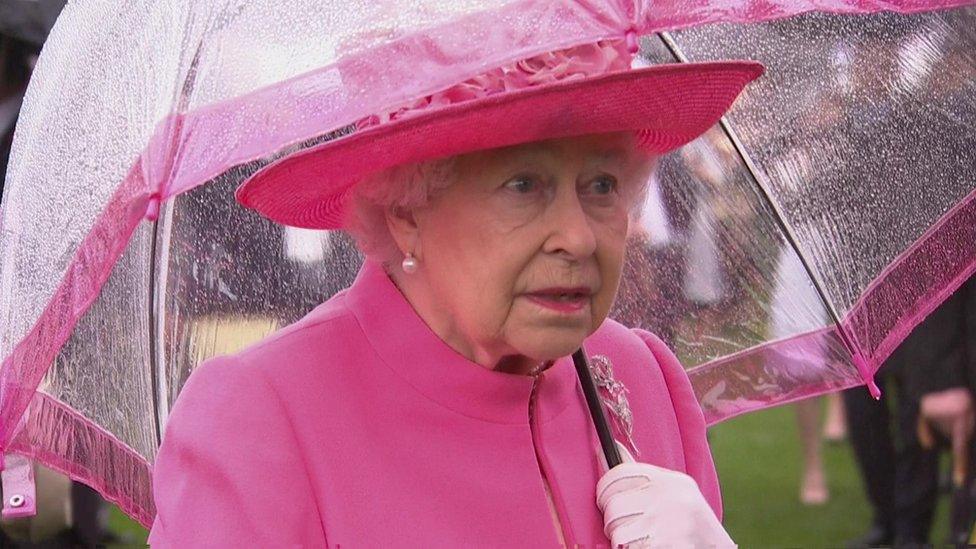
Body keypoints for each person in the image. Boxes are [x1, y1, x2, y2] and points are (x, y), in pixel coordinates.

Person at [148, 38, 762, 546]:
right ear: (407, 210)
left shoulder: (641, 374)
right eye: (524, 184)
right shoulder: (266, 416)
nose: (578, 236)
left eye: (601, 184)